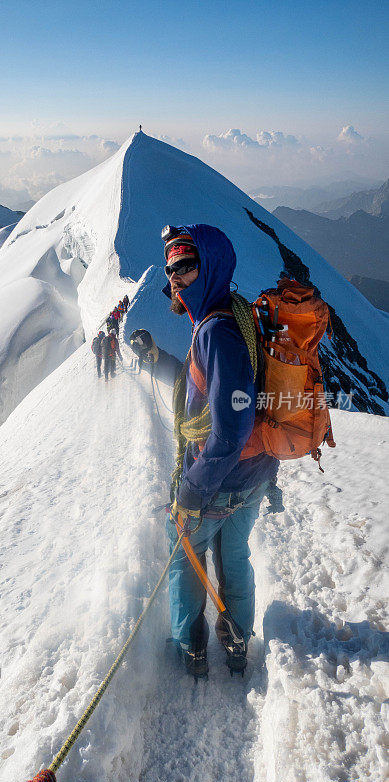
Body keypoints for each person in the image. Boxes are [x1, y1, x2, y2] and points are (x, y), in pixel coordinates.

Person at [161, 224, 278, 677]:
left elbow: (229, 430)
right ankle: (237, 640)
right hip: (253, 474)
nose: (175, 276)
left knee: (183, 555)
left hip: (221, 481)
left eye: (186, 265)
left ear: (207, 266)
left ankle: (190, 645)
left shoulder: (214, 332)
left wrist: (191, 490)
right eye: (172, 268)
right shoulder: (235, 311)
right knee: (234, 557)